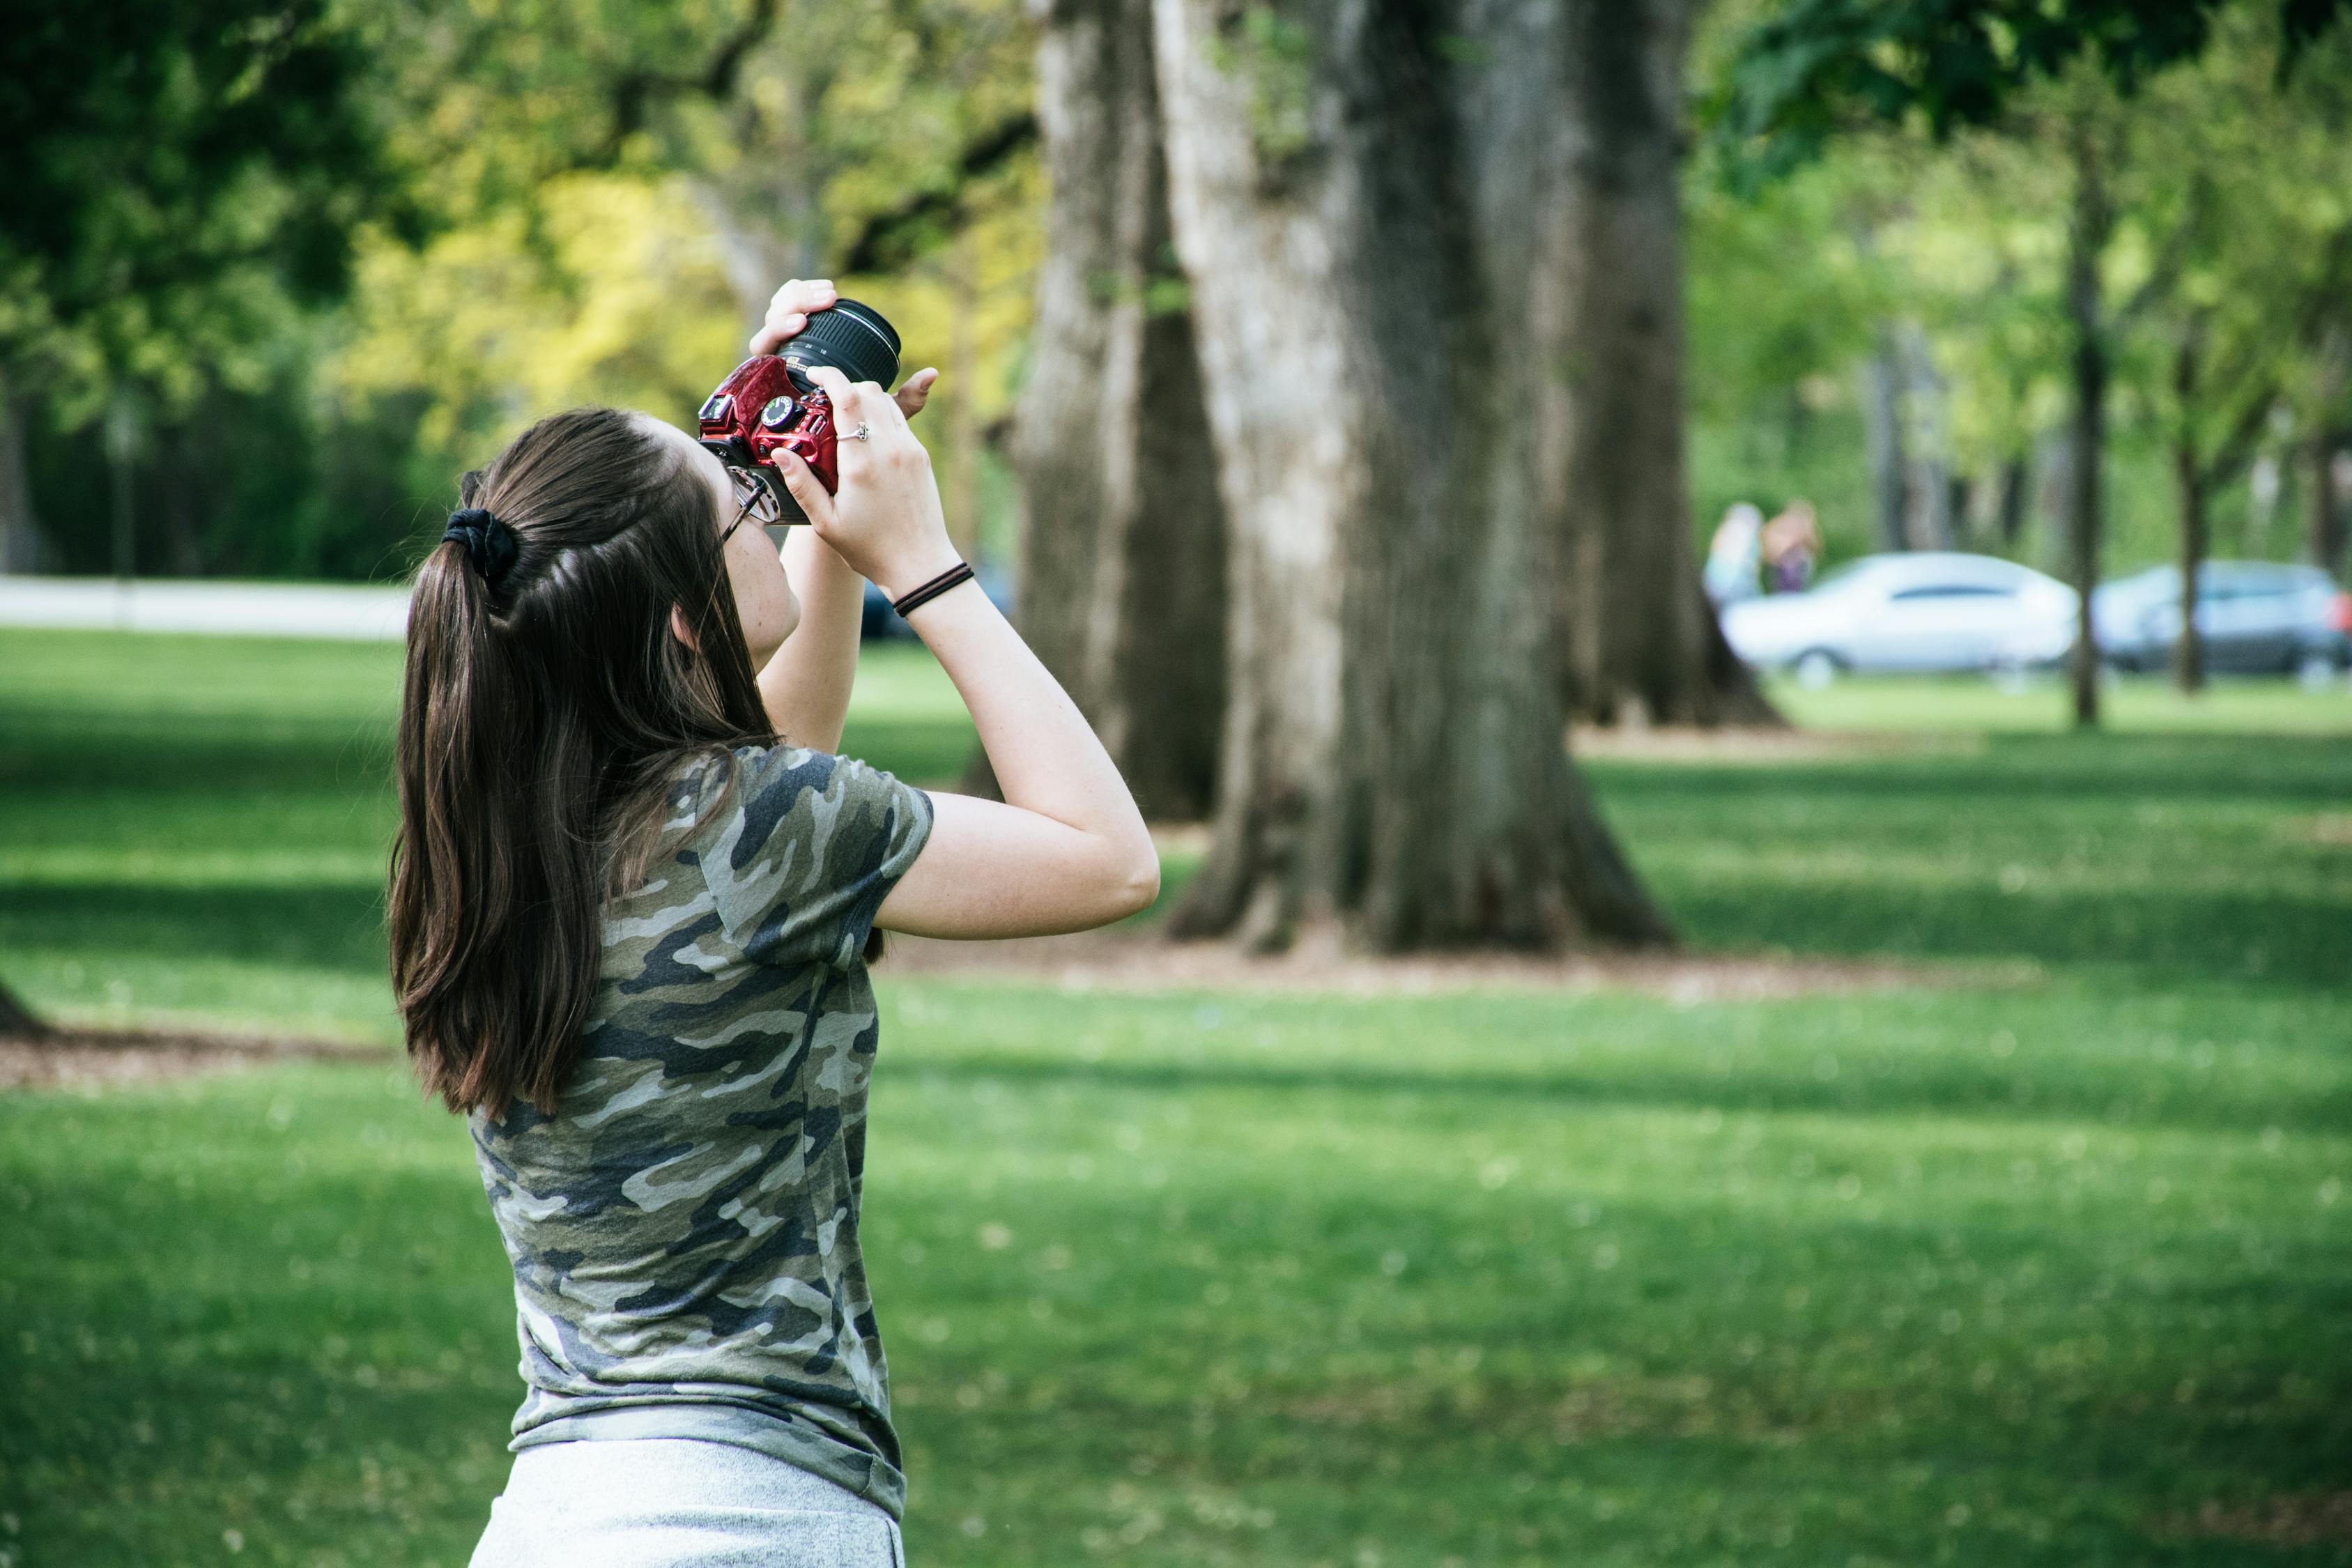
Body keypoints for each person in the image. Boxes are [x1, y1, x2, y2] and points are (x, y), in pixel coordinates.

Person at [387, 279, 1160, 1567]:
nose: (760, 501)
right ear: (688, 615)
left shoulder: (505, 836)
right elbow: (1106, 859)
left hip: (556, 1517)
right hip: (755, 1521)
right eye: (735, 497)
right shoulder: (762, 825)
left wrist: (804, 505)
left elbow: (776, 753)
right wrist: (928, 569)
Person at [1703, 502, 1764, 605]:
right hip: (1736, 585)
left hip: (1718, 585)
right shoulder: (1749, 538)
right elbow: (1752, 568)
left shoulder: (1726, 533)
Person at [1761, 498, 1822, 594]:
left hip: (1799, 584)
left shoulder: (1804, 546)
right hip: (1781, 582)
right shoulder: (1779, 533)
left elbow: (1815, 549)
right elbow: (1771, 554)